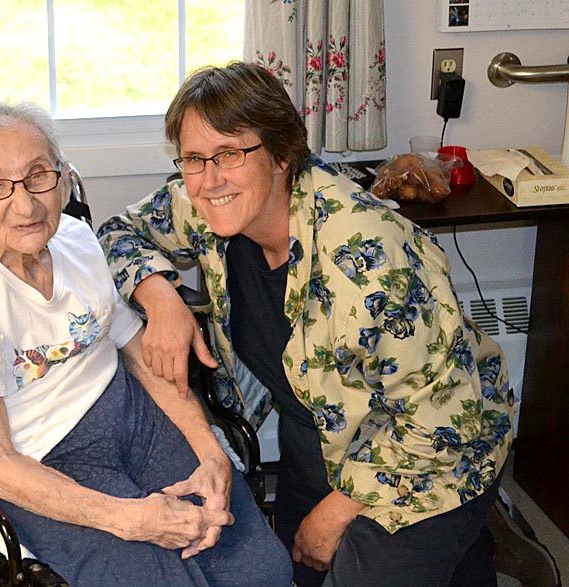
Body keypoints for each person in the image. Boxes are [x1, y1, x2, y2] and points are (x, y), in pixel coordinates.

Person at [98, 61, 516, 586]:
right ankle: (462, 557)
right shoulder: (203, 206)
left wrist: (338, 509)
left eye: (230, 153)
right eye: (194, 159)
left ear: (282, 154)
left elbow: (442, 419)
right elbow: (116, 232)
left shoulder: (369, 256)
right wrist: (159, 296)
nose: (208, 179)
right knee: (288, 571)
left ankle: (467, 525)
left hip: (433, 453)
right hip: (320, 436)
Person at [0, 101, 292, 587]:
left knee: (262, 570)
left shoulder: (77, 239)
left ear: (63, 180)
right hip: (41, 458)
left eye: (38, 176)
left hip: (130, 416)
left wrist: (210, 450)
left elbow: (140, 356)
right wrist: (129, 518)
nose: (25, 205)